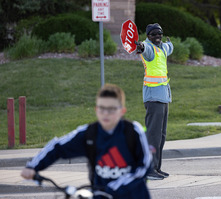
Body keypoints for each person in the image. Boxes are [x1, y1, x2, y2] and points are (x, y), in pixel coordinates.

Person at [21, 84, 152, 199]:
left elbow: (145, 165)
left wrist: (114, 187)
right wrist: (33, 167)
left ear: (122, 111)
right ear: (96, 109)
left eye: (111, 109)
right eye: (101, 108)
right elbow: (58, 146)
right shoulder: (90, 133)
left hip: (133, 195)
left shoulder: (133, 131)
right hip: (101, 196)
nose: (105, 113)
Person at [135, 23, 174, 180]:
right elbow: (146, 49)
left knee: (161, 136)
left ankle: (156, 167)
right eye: (153, 34)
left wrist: (169, 42)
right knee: (153, 136)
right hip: (153, 97)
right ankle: (149, 169)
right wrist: (141, 46)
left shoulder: (162, 48)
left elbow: (169, 47)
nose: (157, 36)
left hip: (163, 97)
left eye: (160, 34)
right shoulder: (149, 49)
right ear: (148, 36)